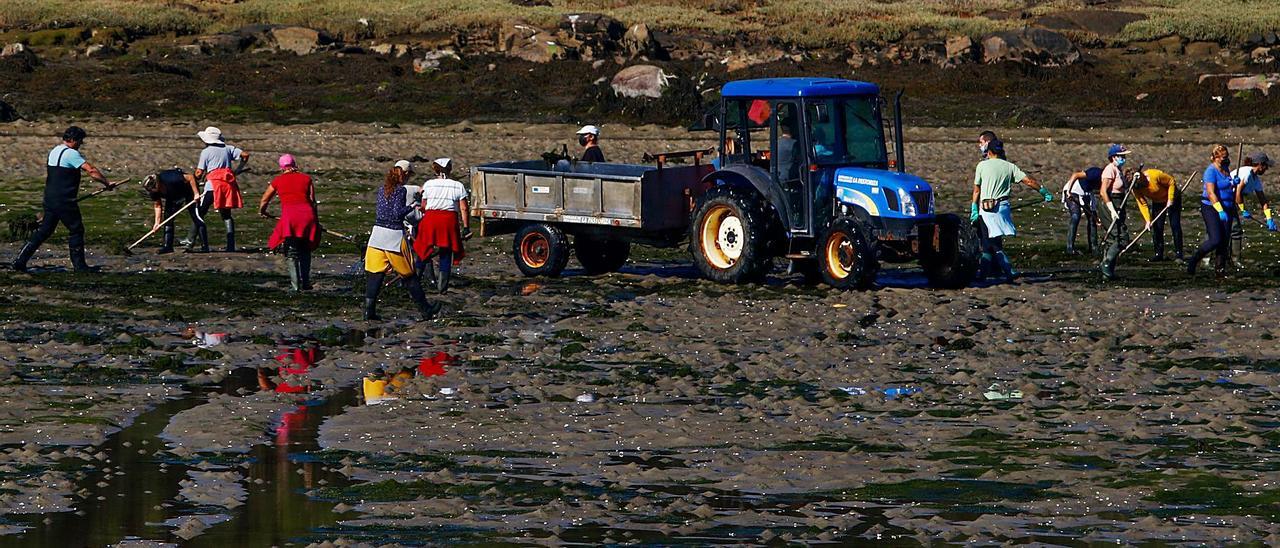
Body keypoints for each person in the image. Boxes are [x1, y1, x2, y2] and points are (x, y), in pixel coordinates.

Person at [11, 126, 113, 272]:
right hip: (65, 201)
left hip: (50, 198)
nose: (80, 144)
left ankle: (20, 261)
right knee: (76, 229)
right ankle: (80, 266)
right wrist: (107, 183)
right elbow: (91, 170)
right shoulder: (72, 154)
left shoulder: (55, 151)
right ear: (72, 140)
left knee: (44, 231)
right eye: (79, 141)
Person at [363, 161, 440, 321]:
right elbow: (398, 214)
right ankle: (426, 309)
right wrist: (413, 205)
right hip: (393, 238)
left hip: (376, 236)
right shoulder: (401, 191)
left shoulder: (381, 189)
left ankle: (368, 313)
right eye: (409, 175)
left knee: (375, 275)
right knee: (409, 276)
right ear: (404, 174)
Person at [969, 138, 1053, 282]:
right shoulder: (1010, 167)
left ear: (989, 152)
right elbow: (1028, 181)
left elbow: (977, 190)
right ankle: (983, 275)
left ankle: (1009, 271)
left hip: (986, 209)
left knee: (990, 243)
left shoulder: (982, 166)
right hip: (1002, 208)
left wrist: (974, 208)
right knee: (991, 243)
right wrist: (1043, 191)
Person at [259, 154, 321, 291]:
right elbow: (313, 202)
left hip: (290, 218)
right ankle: (305, 283)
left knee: (291, 252)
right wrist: (316, 221)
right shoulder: (306, 179)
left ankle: (295, 286)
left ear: (281, 168)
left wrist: (262, 212)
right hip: (307, 216)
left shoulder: (278, 181)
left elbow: (264, 200)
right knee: (305, 250)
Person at [413, 158, 471, 294]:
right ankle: (442, 287)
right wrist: (466, 227)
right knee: (446, 252)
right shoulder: (458, 185)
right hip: (448, 221)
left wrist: (423, 209)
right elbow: (464, 208)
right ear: (449, 169)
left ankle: (415, 283)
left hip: (431, 219)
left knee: (423, 250)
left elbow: (424, 206)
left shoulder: (428, 184)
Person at [194, 126, 248, 252]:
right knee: (226, 214)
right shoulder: (228, 149)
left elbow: (198, 173)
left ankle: (191, 242)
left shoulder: (206, 152)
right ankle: (230, 245)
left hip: (212, 185)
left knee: (199, 213)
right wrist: (237, 170)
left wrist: (196, 177)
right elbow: (245, 155)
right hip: (227, 185)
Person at [1188, 145, 1239, 276]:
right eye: (1223, 158)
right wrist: (1220, 210)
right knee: (1215, 239)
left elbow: (1226, 185)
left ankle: (1220, 270)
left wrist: (1233, 183)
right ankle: (1194, 260)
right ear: (1216, 158)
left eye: (1227, 157)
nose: (1226, 160)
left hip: (1228, 207)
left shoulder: (1226, 169)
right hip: (1212, 207)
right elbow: (1211, 193)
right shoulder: (1210, 171)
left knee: (1224, 241)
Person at [1230, 151, 1278, 266]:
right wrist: (1243, 209)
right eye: (1266, 166)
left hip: (1232, 202)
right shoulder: (1247, 173)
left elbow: (1263, 200)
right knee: (1234, 230)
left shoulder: (1256, 180)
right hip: (1224, 199)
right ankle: (1234, 260)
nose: (1266, 169)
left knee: (1232, 230)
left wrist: (1269, 219)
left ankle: (1231, 259)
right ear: (1260, 165)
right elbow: (1238, 193)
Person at [143, 168, 202, 255]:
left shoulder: (170, 178)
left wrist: (196, 193)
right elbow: (158, 205)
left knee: (195, 216)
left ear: (157, 184)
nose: (152, 192)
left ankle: (205, 245)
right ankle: (168, 246)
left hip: (188, 189)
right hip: (173, 196)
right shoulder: (153, 191)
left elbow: (190, 177)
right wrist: (157, 222)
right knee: (168, 218)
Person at [1098, 144, 1134, 280]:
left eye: (1124, 156)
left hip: (1119, 202)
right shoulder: (1109, 170)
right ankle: (1106, 264)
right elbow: (1103, 191)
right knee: (1120, 237)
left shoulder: (1119, 170)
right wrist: (1111, 209)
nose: (1124, 158)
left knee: (1113, 239)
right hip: (1109, 203)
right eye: (1121, 156)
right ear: (1113, 157)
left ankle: (1108, 272)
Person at [1133, 168, 1184, 262]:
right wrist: (1147, 220)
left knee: (1175, 225)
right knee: (1157, 227)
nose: (1140, 187)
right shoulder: (1135, 187)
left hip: (1173, 198)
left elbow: (1171, 181)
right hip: (1158, 202)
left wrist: (1170, 199)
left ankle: (1179, 254)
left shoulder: (1154, 175)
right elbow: (1142, 203)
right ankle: (1158, 253)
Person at [1061, 166, 1103, 255]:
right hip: (1073, 189)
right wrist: (1068, 191)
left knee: (1092, 219)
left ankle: (1093, 247)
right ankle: (1070, 248)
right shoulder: (1096, 172)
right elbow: (1075, 175)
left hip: (1086, 192)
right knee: (1076, 215)